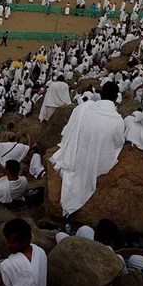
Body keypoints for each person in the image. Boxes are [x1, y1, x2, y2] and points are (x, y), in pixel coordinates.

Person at [50, 83, 124, 217]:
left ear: (101, 94)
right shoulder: (118, 120)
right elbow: (118, 143)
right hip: (96, 161)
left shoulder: (83, 108)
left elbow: (68, 129)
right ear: (115, 97)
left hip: (76, 154)